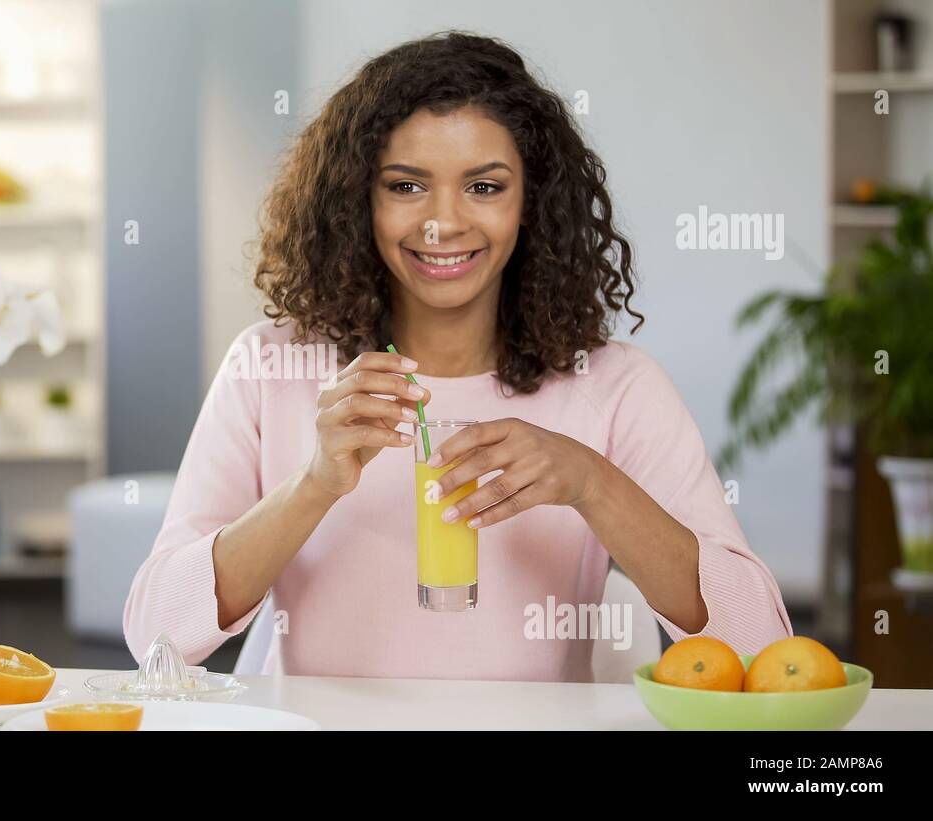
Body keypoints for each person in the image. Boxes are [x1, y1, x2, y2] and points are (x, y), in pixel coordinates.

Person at [124, 31, 791, 680]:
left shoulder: (614, 385)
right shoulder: (270, 369)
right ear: (360, 200)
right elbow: (157, 633)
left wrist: (590, 481)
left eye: (485, 186)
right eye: (406, 186)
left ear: (532, 203)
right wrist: (314, 484)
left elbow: (762, 645)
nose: (443, 222)